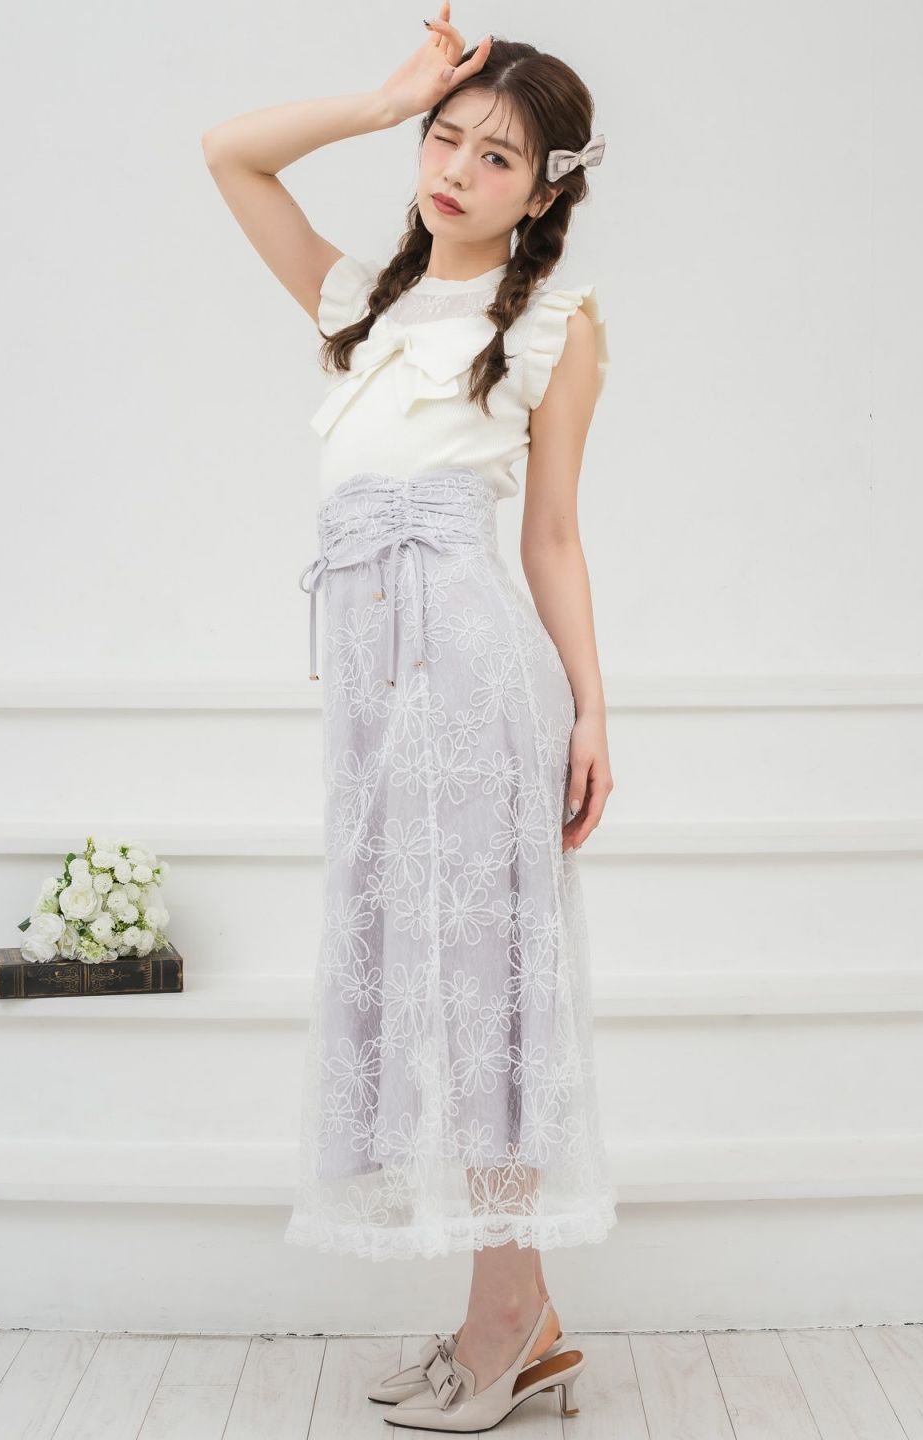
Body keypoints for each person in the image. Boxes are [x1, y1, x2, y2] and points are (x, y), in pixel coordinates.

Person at [202, 6, 616, 1428]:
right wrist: (384, 101)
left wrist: (592, 716)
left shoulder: (555, 324)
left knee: (486, 991)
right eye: (447, 140)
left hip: (477, 671)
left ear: (544, 191)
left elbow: (551, 537)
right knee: (425, 979)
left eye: (498, 157)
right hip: (378, 690)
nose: (457, 170)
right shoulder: (356, 302)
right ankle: (520, 1312)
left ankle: (507, 1316)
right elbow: (230, 154)